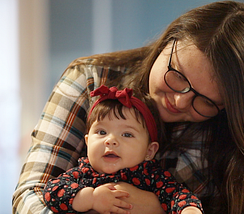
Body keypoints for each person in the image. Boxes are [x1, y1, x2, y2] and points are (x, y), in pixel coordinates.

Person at [13, 1, 244, 213]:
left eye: (206, 101)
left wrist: (158, 206)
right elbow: (30, 197)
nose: (179, 101)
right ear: (167, 42)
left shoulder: (225, 132)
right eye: (177, 77)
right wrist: (89, 200)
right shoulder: (90, 80)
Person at [43, 85, 203, 214]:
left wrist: (189, 209)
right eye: (101, 132)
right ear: (87, 142)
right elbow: (52, 190)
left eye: (127, 134)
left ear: (149, 151)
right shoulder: (83, 173)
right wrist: (91, 198)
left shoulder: (153, 176)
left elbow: (178, 195)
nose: (111, 140)